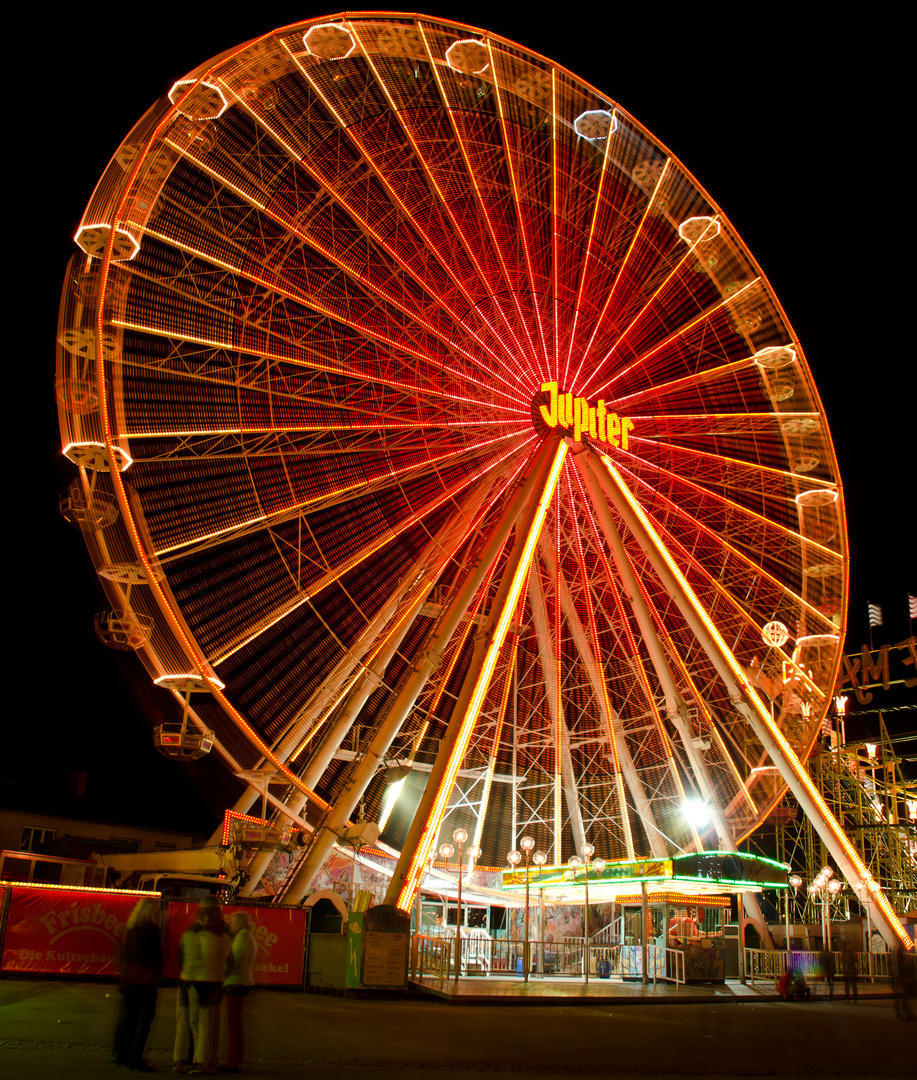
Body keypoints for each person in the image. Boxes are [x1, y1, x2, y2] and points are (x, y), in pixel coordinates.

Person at [173, 897, 232, 1076]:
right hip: (213, 982)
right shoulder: (224, 937)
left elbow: (180, 960)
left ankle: (180, 1059)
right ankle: (205, 1061)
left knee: (186, 1022)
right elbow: (228, 963)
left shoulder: (189, 934)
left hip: (189, 982)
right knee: (208, 1025)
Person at [114, 898, 162, 1072]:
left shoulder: (130, 928)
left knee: (129, 1018)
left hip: (128, 978)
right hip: (145, 980)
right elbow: (156, 955)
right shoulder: (152, 929)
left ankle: (121, 1055)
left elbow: (122, 952)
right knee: (145, 1019)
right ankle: (136, 1057)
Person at [222, 912, 258, 1073]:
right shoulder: (247, 937)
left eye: (233, 922)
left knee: (233, 1025)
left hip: (235, 982)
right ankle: (234, 1058)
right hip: (240, 981)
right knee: (235, 1024)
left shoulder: (243, 938)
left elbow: (235, 960)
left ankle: (233, 1060)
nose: (231, 925)